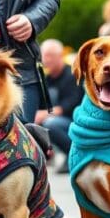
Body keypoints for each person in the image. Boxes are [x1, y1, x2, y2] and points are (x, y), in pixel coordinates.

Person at [34, 38, 83, 173]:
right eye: (43, 55)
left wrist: (44, 114)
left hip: (75, 122)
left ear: (60, 56)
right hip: (59, 120)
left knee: (50, 123)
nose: (46, 59)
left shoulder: (72, 75)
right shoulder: (47, 79)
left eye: (50, 55)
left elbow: (68, 106)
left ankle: (75, 155)